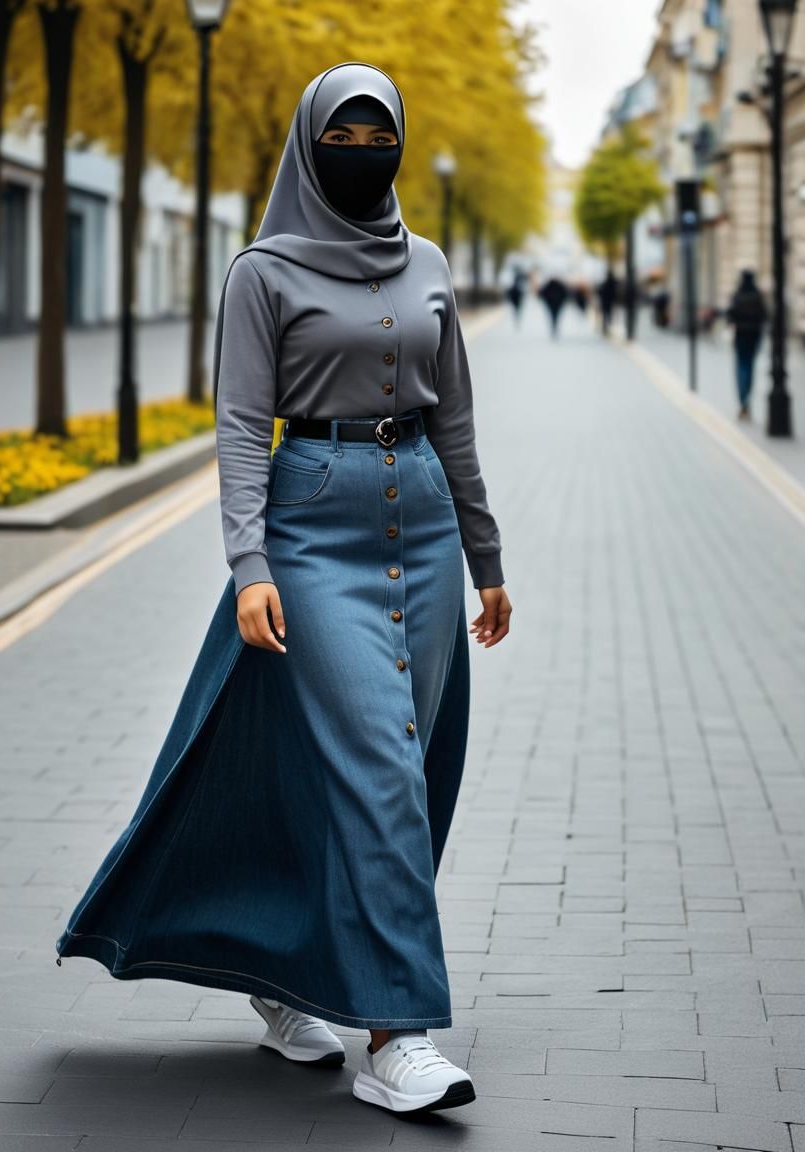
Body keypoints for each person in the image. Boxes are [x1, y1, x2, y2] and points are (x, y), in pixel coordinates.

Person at [54, 62, 512, 1117]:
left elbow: (456, 424)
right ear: (308, 148)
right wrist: (249, 564)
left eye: (377, 134)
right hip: (312, 529)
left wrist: (486, 559)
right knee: (379, 766)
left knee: (406, 763)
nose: (362, 152)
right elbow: (239, 430)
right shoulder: (261, 271)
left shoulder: (430, 262)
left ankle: (288, 976)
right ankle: (397, 1035)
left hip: (428, 521)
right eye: (341, 138)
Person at [725, 269, 768, 420]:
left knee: (741, 367)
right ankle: (746, 398)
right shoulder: (757, 296)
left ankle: (743, 400)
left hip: (740, 337)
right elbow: (764, 316)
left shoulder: (737, 295)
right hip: (754, 337)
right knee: (749, 367)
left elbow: (729, 316)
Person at [597, 269, 618, 335]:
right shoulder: (613, 284)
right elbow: (615, 294)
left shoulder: (605, 284)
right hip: (610, 302)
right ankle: (608, 328)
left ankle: (605, 328)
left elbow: (600, 292)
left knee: (605, 315)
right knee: (609, 315)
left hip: (605, 302)